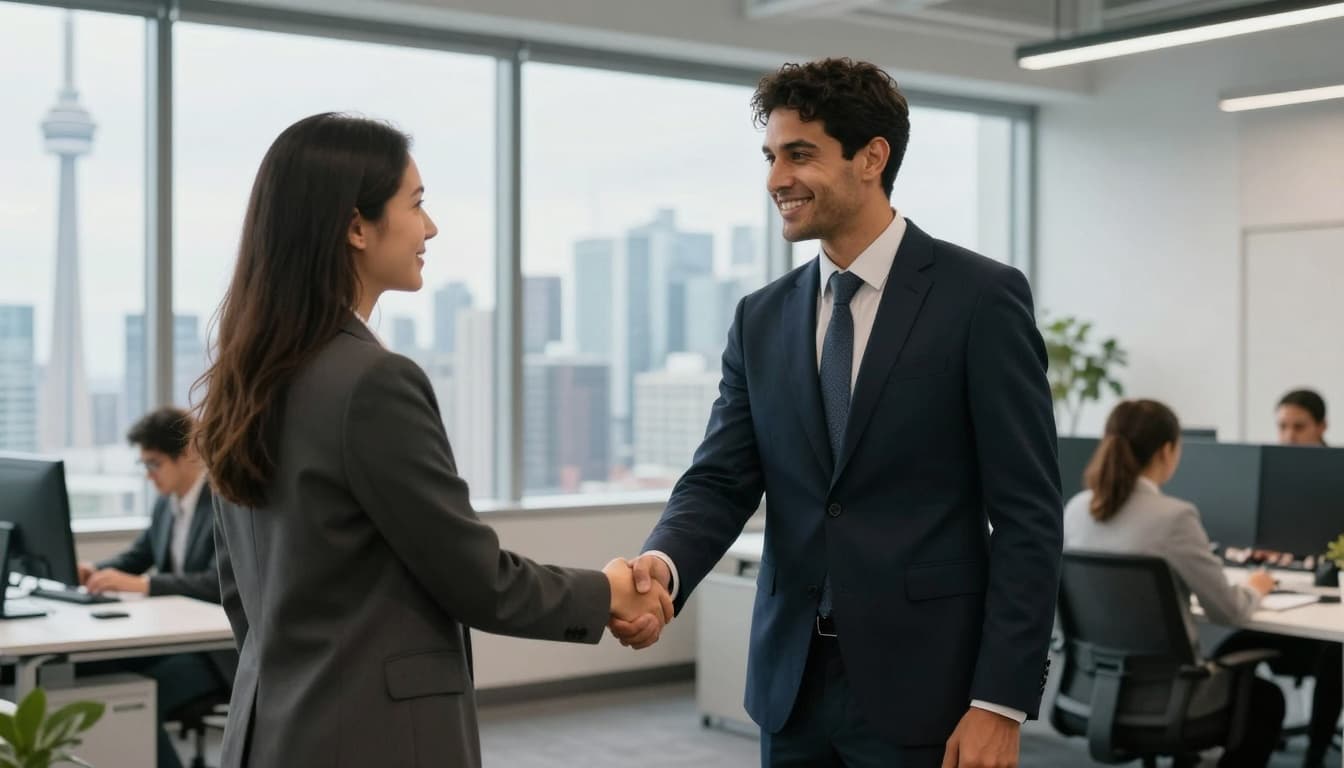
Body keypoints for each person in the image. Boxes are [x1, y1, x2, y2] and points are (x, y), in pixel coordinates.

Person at [612, 58, 1063, 767]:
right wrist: (661, 568)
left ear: (871, 158)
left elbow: (1029, 515)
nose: (775, 180)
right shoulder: (760, 318)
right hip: (791, 687)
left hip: (929, 690)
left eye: (799, 154)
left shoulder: (980, 300)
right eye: (770, 157)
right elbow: (720, 480)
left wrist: (999, 701)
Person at [194, 113, 670, 768]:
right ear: (356, 226)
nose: (431, 227)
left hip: (270, 729)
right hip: (374, 739)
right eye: (416, 205)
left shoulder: (244, 379)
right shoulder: (372, 382)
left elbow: (238, 590)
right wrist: (610, 591)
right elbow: (474, 578)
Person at [1063, 399, 1285, 766]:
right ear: (1168, 450)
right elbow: (1227, 610)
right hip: (1169, 696)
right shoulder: (1174, 517)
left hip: (1091, 688)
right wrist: (1255, 587)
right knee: (1266, 701)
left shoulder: (1076, 510)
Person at [77, 406, 232, 768]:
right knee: (98, 672)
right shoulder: (167, 506)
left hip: (214, 653)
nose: (149, 476)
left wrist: (143, 585)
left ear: (187, 455)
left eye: (154, 464)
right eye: (143, 466)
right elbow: (138, 554)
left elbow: (216, 583)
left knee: (143, 696)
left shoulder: (222, 503)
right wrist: (94, 571)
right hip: (170, 639)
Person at [1214, 388, 1340, 768]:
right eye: (1282, 426)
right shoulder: (1269, 475)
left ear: (1322, 427)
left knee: (1337, 658)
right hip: (1276, 604)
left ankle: (1315, 757)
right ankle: (1233, 744)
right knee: (1224, 653)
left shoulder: (1337, 477)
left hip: (1324, 611)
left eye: (1298, 427)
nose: (1288, 436)